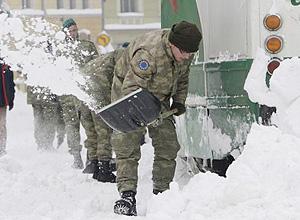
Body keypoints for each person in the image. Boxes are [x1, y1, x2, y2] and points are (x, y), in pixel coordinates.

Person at [111, 21, 202, 216]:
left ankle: (162, 194)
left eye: (190, 54)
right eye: (185, 53)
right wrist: (144, 116)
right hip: (128, 94)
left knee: (168, 144)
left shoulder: (184, 53)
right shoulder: (149, 54)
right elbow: (131, 89)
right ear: (172, 44)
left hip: (158, 96)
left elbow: (183, 78)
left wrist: (178, 101)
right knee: (127, 142)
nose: (187, 57)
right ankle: (127, 196)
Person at [80, 48, 126, 182]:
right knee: (104, 130)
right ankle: (104, 169)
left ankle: (94, 163)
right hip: (97, 92)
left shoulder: (105, 58)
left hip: (83, 91)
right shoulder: (123, 57)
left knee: (92, 131)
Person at [59, 18, 99, 169]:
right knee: (71, 126)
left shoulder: (87, 46)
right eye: (71, 30)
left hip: (84, 93)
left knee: (89, 125)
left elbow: (97, 66)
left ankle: (91, 156)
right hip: (68, 95)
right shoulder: (60, 50)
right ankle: (76, 156)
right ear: (65, 32)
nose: (74, 33)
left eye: (75, 30)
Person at [27, 85, 65, 151]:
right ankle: (47, 144)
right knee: (49, 119)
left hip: (35, 92)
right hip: (48, 92)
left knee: (38, 118)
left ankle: (40, 144)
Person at [0, 60, 15, 156]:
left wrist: (10, 99)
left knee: (1, 126)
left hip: (1, 102)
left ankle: (1, 149)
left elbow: (10, 84)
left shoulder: (5, 65)